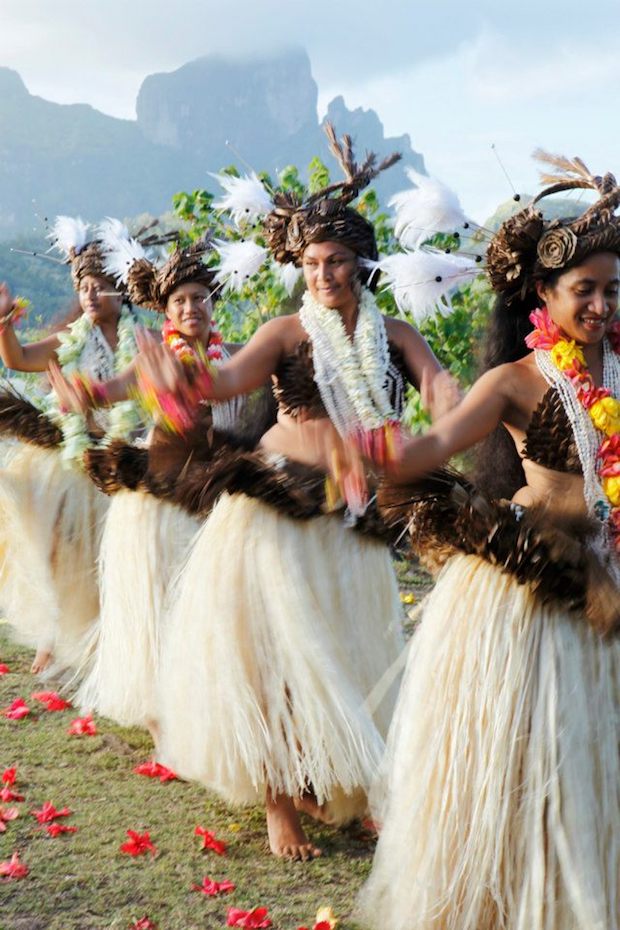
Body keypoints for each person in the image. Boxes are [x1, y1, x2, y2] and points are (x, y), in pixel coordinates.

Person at [127, 125, 461, 861]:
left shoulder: (396, 333)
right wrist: (177, 380)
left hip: (354, 515)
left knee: (350, 653)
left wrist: (449, 409)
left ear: (360, 265)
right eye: (310, 263)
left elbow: (441, 389)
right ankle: (280, 801)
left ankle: (340, 781)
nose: (322, 275)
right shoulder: (285, 332)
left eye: (336, 261)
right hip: (277, 509)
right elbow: (226, 381)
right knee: (277, 655)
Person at [357, 152, 620, 930]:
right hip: (533, 593)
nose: (603, 306)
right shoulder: (513, 381)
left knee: (592, 761)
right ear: (543, 293)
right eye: (586, 292)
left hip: (612, 583)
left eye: (615, 291)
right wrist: (371, 450)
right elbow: (429, 449)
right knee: (530, 757)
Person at [65, 235, 271, 742]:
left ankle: (210, 702)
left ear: (212, 304)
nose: (191, 306)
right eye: (180, 300)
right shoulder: (154, 359)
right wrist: (83, 393)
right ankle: (160, 715)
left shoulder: (239, 357)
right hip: (161, 495)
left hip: (216, 493)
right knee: (160, 607)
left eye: (200, 296)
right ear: (168, 313)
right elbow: (109, 392)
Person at [0, 218, 146, 674]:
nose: (90, 295)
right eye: (84, 287)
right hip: (70, 460)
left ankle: (106, 636)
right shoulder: (69, 339)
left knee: (109, 556)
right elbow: (20, 359)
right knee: (58, 549)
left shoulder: (142, 341)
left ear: (122, 291)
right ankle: (54, 634)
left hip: (122, 457)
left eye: (102, 286)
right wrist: (4, 326)